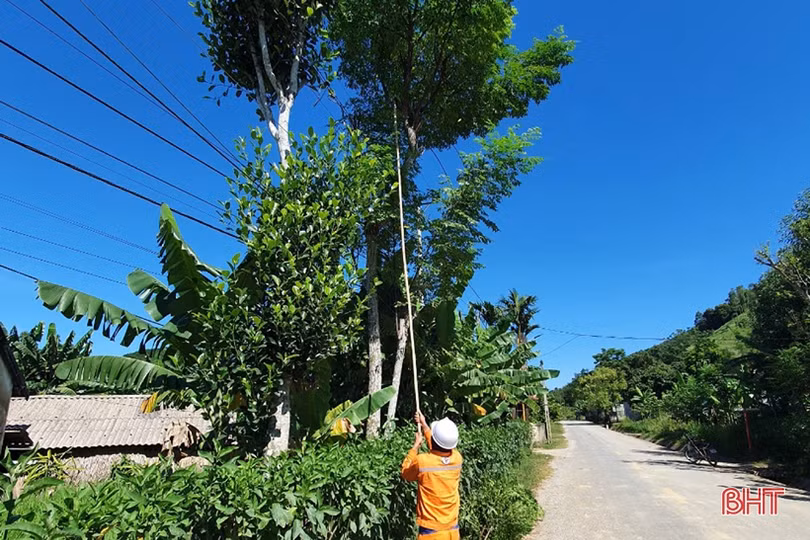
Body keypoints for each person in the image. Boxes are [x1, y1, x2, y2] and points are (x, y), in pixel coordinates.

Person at [401, 412, 463, 539]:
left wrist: (415, 447)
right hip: (452, 530)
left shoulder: (422, 461)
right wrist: (424, 425)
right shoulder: (457, 459)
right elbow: (439, 447)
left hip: (431, 531)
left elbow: (406, 473)